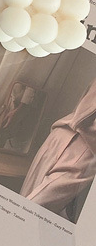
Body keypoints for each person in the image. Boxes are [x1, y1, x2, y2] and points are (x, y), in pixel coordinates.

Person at [21, 77, 96, 220]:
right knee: (31, 209)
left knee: (26, 200)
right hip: (83, 148)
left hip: (62, 134)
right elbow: (83, 117)